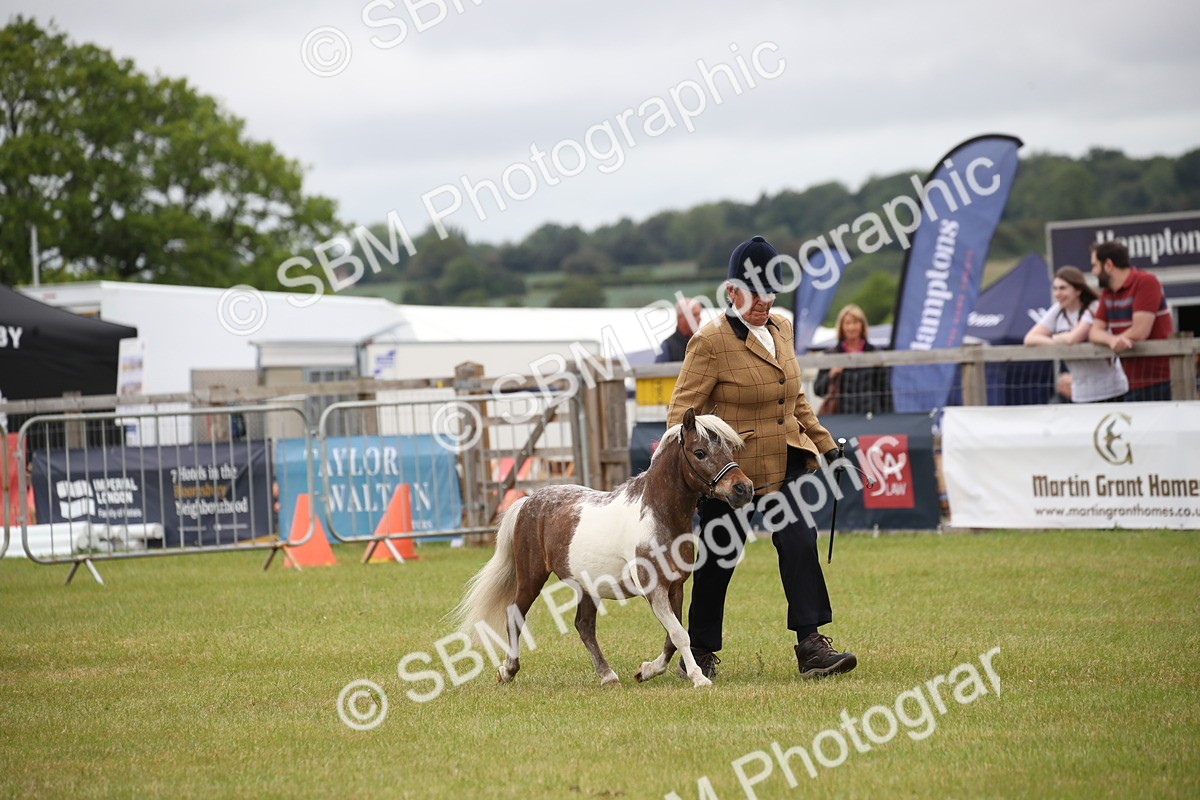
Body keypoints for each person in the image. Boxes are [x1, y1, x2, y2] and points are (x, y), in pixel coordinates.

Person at [665, 235, 857, 681]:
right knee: (718, 559)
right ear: (732, 292)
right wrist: (695, 469)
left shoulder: (782, 328)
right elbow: (681, 414)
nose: (763, 303)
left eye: (770, 292)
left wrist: (827, 446)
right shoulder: (709, 341)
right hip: (730, 471)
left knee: (798, 541)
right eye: (753, 294)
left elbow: (796, 399)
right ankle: (700, 652)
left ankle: (811, 646)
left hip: (784, 458)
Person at [1024, 266, 1127, 403]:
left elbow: (1073, 338)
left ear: (1078, 290)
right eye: (1055, 288)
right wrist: (1056, 342)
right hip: (1080, 393)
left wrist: (1055, 338)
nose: (1058, 294)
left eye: (1063, 288)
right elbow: (1030, 338)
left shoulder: (1093, 306)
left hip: (1110, 390)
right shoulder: (1057, 310)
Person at [1088, 241, 1174, 401]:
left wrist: (1114, 341)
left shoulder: (1146, 281)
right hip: (1132, 381)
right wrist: (1113, 341)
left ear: (1108, 265)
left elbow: (1140, 331)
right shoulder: (1108, 292)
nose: (1093, 272)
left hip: (1161, 380)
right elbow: (1094, 332)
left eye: (1095, 266)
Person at [813, 304, 894, 415]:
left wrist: (889, 417)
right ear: (841, 327)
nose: (851, 327)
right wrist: (830, 376)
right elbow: (818, 390)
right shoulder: (831, 355)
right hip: (841, 418)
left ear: (862, 325)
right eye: (847, 323)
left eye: (855, 322)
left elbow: (886, 392)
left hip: (871, 417)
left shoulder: (875, 353)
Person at [655, 297, 703, 363]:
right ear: (681, 318)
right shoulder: (668, 346)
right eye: (695, 315)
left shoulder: (704, 343)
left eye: (699, 314)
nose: (700, 318)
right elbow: (658, 372)